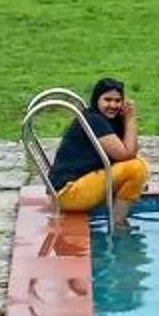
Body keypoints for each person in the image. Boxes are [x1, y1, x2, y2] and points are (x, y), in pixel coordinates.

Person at [51, 77, 150, 231]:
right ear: (97, 100)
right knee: (136, 169)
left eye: (118, 101)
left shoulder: (104, 119)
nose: (113, 105)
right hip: (68, 193)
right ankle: (117, 224)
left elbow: (132, 150)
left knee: (137, 165)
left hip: (74, 187)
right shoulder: (94, 120)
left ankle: (117, 220)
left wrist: (125, 121)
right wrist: (131, 119)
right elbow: (126, 154)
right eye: (107, 100)